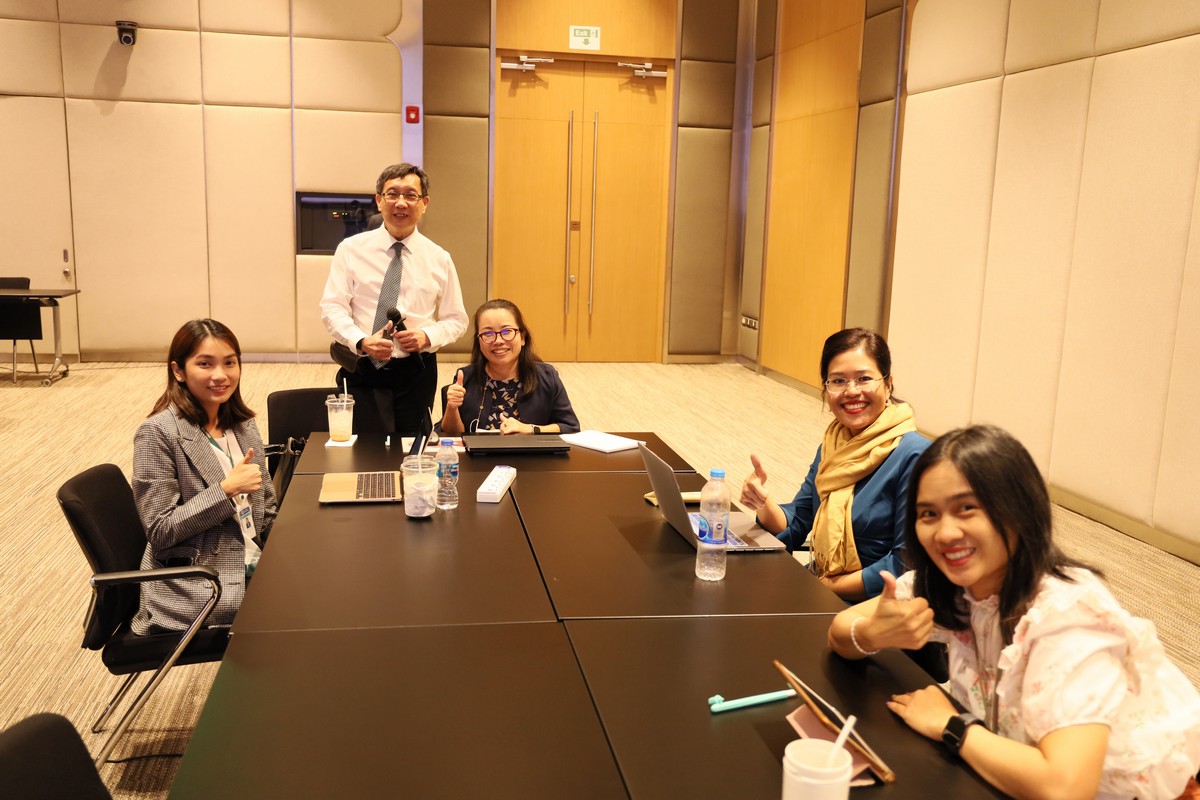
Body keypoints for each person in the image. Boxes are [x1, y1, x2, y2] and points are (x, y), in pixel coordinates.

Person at [828, 425, 1200, 799]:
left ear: (1019, 510)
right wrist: (872, 634)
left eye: (966, 508)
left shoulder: (1068, 617)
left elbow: (1065, 789)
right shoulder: (955, 586)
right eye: (929, 513)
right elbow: (841, 630)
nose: (945, 533)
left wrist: (953, 725)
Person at [740, 328, 928, 601]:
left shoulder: (916, 457)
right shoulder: (835, 443)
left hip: (876, 603)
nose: (851, 391)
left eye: (864, 379)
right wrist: (763, 503)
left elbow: (906, 564)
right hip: (822, 585)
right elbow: (800, 517)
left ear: (888, 384)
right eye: (838, 381)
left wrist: (826, 587)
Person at [131, 319, 277, 634]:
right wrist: (225, 491)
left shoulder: (242, 425)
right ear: (178, 371)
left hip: (252, 558)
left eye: (229, 363)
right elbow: (161, 530)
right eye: (205, 364)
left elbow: (266, 506)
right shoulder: (158, 433)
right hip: (201, 582)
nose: (220, 375)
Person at [320, 163, 468, 433]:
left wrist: (427, 336)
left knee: (412, 444)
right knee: (360, 444)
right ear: (379, 200)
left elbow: (457, 319)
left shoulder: (439, 258)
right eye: (392, 194)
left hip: (416, 370)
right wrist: (362, 340)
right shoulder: (350, 250)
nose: (401, 202)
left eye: (410, 195)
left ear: (424, 203)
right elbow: (332, 307)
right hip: (363, 365)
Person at [438, 299, 580, 435]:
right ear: (479, 341)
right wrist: (452, 408)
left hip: (529, 452)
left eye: (506, 332)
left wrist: (531, 429)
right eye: (488, 334)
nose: (498, 341)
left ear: (522, 337)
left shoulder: (547, 376)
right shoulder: (465, 378)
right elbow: (452, 435)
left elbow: (570, 427)